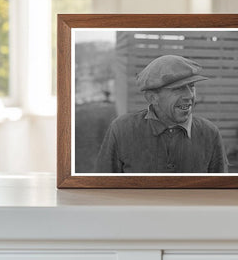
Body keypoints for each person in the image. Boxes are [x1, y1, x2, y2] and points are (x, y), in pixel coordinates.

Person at [95, 55, 228, 173]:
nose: (189, 95)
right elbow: (103, 189)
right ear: (152, 98)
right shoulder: (121, 130)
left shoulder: (210, 133)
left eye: (192, 85)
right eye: (178, 88)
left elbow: (220, 192)